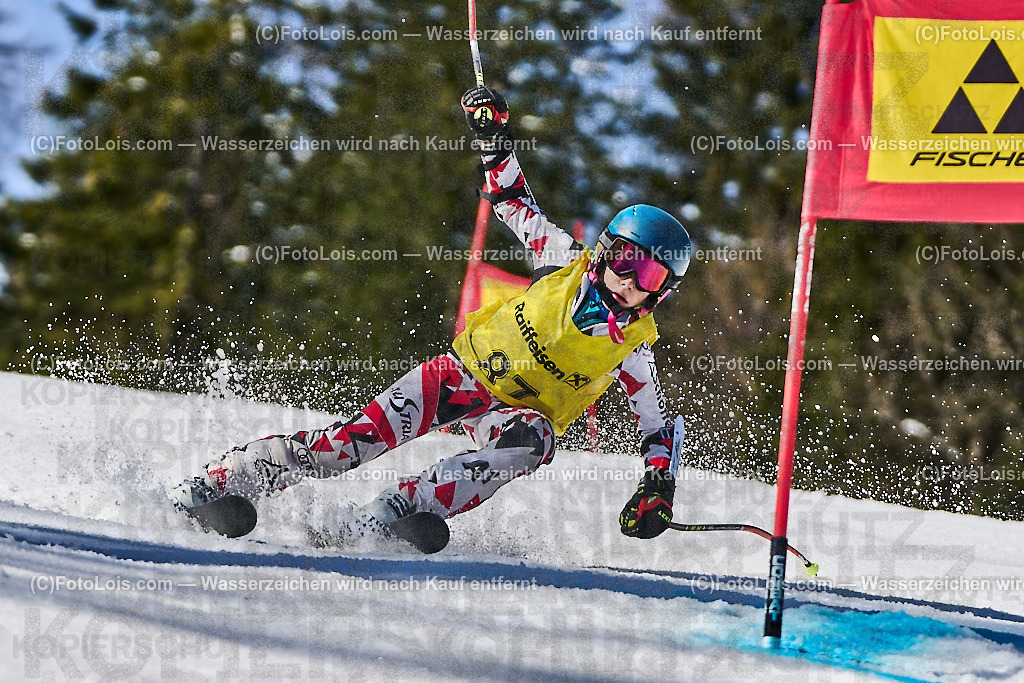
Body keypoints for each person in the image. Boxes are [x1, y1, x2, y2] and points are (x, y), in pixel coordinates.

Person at [170, 86, 692, 542]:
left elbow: (658, 424)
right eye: (626, 259)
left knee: (532, 440)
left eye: (648, 277)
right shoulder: (562, 259)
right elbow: (512, 202)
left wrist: (657, 484)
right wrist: (493, 138)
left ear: (660, 294)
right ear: (604, 251)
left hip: (507, 416)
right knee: (346, 447)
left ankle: (396, 510)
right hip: (460, 376)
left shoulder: (632, 349)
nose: (629, 279)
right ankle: (221, 483)